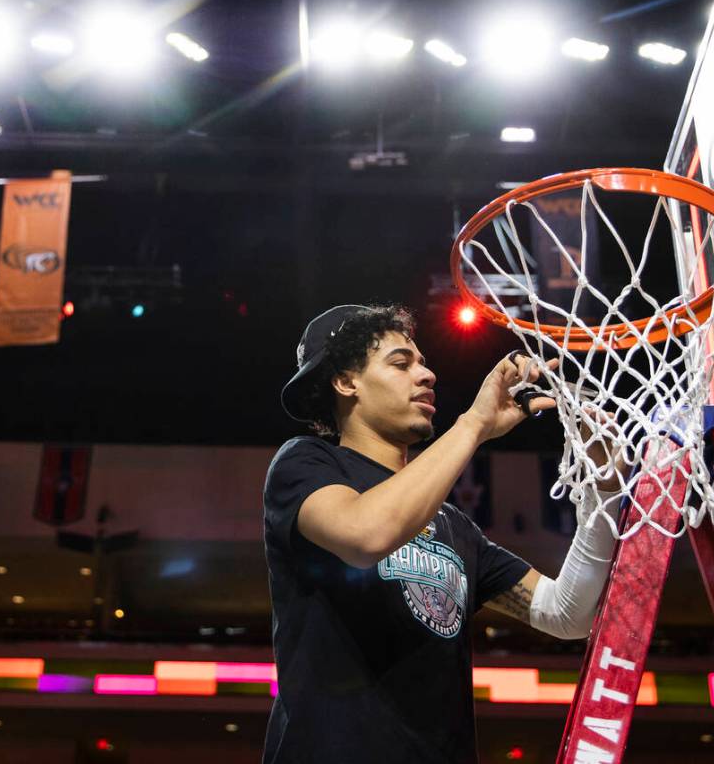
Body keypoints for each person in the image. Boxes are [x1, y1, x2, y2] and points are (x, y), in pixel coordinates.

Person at [262, 304, 622, 763]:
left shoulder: (453, 525)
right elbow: (366, 535)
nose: (427, 374)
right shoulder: (305, 464)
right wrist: (473, 424)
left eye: (423, 362)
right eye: (401, 363)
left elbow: (566, 614)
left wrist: (604, 491)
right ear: (346, 381)